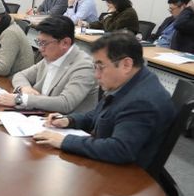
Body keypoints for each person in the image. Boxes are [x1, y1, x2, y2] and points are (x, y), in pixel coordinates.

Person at [34, 32, 174, 169]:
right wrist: (69, 120)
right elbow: (99, 114)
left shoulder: (142, 101)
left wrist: (65, 141)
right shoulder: (130, 82)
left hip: (125, 176)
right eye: (95, 67)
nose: (96, 75)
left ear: (126, 65)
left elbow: (120, 149)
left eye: (100, 67)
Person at [0, 16, 97, 113]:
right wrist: (25, 88)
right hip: (41, 115)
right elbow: (20, 75)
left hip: (65, 122)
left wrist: (22, 99)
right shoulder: (51, 57)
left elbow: (65, 103)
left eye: (44, 43)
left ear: (65, 43)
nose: (40, 48)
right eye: (39, 42)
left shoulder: (84, 66)